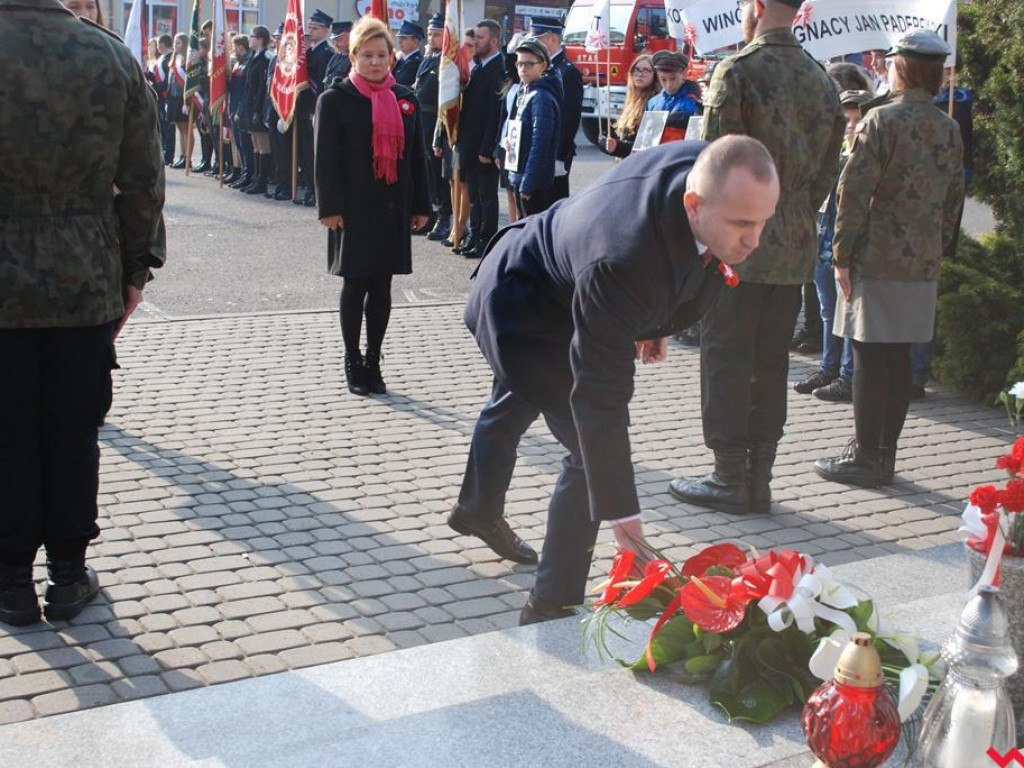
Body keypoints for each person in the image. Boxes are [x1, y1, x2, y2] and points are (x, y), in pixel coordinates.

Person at [456, 137, 779, 622]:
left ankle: (477, 509)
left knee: (517, 399)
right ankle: (551, 606)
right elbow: (601, 400)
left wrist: (649, 322)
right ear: (694, 204)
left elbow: (681, 262)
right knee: (588, 456)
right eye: (742, 224)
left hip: (574, 281)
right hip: (526, 308)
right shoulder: (624, 259)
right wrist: (626, 525)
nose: (755, 240)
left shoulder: (715, 170)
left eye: (763, 220)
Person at [0, 0, 165, 626]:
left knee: (7, 431)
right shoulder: (109, 55)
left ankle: (12, 578)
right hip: (83, 274)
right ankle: (67, 575)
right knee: (73, 432)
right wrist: (134, 270)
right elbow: (144, 178)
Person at [667, 0, 845, 516]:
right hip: (791, 244)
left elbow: (713, 163)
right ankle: (758, 477)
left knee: (725, 356)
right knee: (769, 362)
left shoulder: (738, 70)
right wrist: (789, 212)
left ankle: (729, 476)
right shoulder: (821, 78)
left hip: (737, 244)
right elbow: (828, 168)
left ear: (759, 6)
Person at [815, 31, 964, 487]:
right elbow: (955, 196)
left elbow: (853, 192)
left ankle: (866, 457)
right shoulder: (948, 126)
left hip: (876, 255)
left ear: (900, 67)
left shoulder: (880, 121)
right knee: (898, 358)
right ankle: (885, 455)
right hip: (921, 258)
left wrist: (841, 252)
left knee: (867, 357)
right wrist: (940, 247)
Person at [315, 17, 430, 396]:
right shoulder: (334, 99)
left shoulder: (406, 98)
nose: (376, 62)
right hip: (352, 208)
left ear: (392, 57)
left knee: (382, 286)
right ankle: (352, 359)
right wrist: (329, 208)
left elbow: (416, 158)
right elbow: (325, 161)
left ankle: (374, 359)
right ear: (353, 56)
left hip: (392, 206)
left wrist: (421, 204)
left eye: (382, 55)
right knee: (355, 284)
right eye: (367, 55)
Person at [793, 89, 872, 403]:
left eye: (856, 120)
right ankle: (828, 368)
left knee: (848, 313)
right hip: (822, 242)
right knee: (829, 311)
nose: (850, 126)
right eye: (845, 120)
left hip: (847, 248)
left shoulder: (868, 159)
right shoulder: (832, 154)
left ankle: (848, 375)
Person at [455, 20, 505, 259]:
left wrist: (488, 147)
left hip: (483, 144)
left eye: (481, 38)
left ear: (494, 41)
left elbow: (494, 113)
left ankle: (487, 240)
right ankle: (474, 236)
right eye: (474, 38)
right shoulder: (476, 67)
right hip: (468, 141)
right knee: (473, 195)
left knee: (486, 196)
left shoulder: (500, 69)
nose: (475, 42)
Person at [505, 37, 561, 217]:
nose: (523, 68)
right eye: (519, 63)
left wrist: (528, 183)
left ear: (543, 66)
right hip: (521, 174)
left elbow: (540, 144)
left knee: (531, 232)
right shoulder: (527, 91)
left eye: (529, 64)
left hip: (532, 182)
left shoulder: (541, 97)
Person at [530, 17, 582, 202]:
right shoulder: (540, 67)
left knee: (551, 203)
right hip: (536, 148)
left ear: (552, 39)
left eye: (537, 39)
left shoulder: (566, 72)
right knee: (532, 203)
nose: (532, 43)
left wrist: (560, 155)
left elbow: (569, 118)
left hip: (554, 152)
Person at [295, 9, 333, 207]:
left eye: (315, 28)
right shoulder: (308, 51)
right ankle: (309, 188)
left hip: (314, 107)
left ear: (326, 30)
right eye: (310, 27)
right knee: (304, 152)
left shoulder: (327, 53)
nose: (311, 30)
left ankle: (315, 191)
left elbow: (321, 83)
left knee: (313, 153)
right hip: (303, 108)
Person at [413, 14, 445, 236]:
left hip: (436, 121)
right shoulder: (428, 59)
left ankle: (442, 216)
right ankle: (428, 214)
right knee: (424, 173)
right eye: (430, 34)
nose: (431, 39)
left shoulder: (448, 61)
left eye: (436, 34)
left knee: (437, 174)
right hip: (421, 123)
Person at [601, 53, 659, 158]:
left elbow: (648, 146)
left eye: (646, 70)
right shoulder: (631, 100)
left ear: (655, 75)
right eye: (636, 70)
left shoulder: (654, 102)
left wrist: (618, 147)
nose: (640, 74)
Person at [241, 25, 272, 194]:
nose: (250, 39)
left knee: (262, 142)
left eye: (252, 36)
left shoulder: (266, 58)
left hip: (259, 104)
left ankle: (262, 181)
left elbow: (262, 87)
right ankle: (255, 177)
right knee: (254, 143)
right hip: (250, 102)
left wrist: (258, 110)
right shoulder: (253, 56)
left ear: (260, 39)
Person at [647, 50, 701, 131]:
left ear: (684, 72)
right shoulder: (653, 102)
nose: (669, 85)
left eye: (673, 78)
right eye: (663, 80)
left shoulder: (691, 102)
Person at [227, 33, 253, 187]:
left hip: (241, 108)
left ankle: (248, 174)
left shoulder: (248, 62)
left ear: (241, 47)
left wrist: (240, 110)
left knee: (245, 144)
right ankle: (242, 173)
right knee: (237, 142)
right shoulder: (238, 63)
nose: (233, 49)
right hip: (233, 105)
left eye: (234, 46)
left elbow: (246, 89)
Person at [167, 33, 190, 169]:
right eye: (175, 43)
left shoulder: (187, 60)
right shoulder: (175, 59)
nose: (175, 45)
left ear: (185, 44)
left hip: (182, 97)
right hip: (173, 96)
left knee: (185, 128)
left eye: (178, 43)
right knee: (180, 128)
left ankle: (188, 157)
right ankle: (182, 155)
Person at [392, 20, 424, 87]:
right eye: (400, 38)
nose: (400, 41)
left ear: (415, 42)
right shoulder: (402, 60)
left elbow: (400, 83)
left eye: (404, 38)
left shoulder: (416, 62)